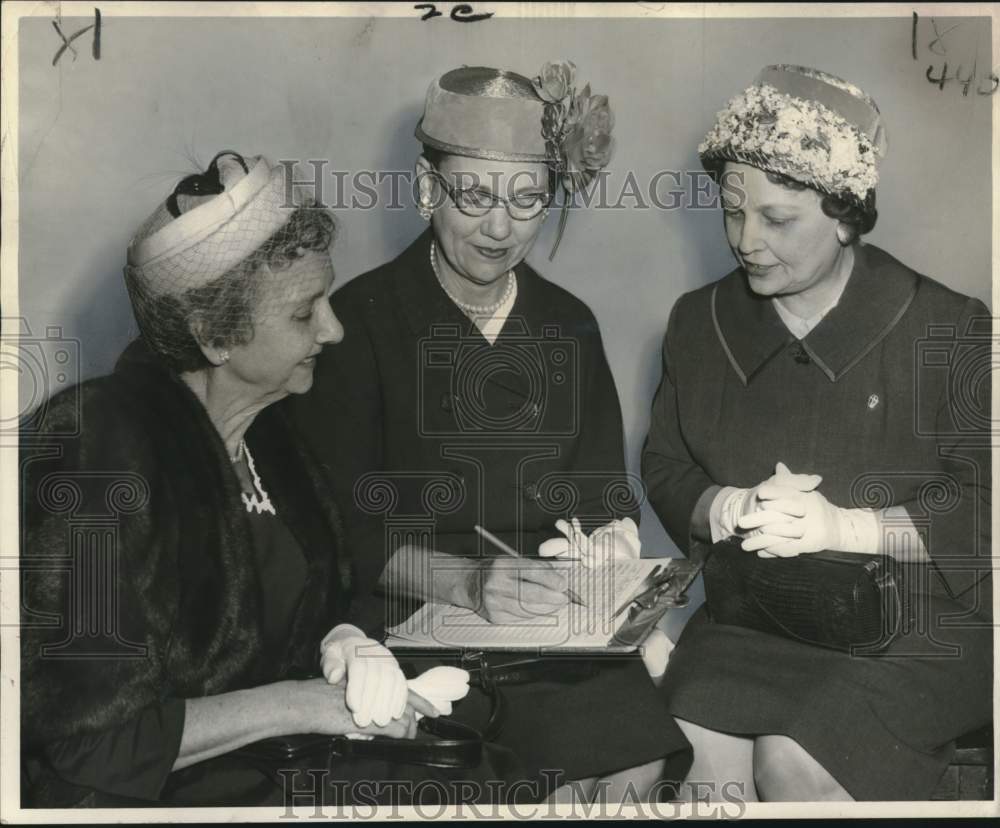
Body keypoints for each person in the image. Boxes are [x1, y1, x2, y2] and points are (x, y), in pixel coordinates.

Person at [20, 151, 509, 807]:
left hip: (271, 768)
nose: (334, 329)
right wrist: (299, 705)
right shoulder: (99, 450)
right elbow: (90, 744)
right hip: (142, 798)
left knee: (482, 766)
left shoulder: (271, 436)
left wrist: (343, 641)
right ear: (214, 336)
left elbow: (302, 610)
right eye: (305, 313)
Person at [290, 63, 691, 802]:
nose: (500, 229)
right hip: (406, 623)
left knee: (635, 766)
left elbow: (602, 492)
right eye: (474, 196)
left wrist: (606, 549)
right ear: (426, 187)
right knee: (524, 785)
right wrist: (470, 581)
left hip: (548, 625)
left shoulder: (568, 322)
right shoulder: (359, 324)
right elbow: (336, 531)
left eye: (527, 200)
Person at [641, 64, 992, 801]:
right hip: (757, 615)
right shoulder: (699, 323)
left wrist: (851, 527)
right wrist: (725, 507)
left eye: (777, 220)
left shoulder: (948, 325)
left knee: (794, 763)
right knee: (698, 756)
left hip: (917, 622)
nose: (746, 240)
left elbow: (985, 503)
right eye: (733, 212)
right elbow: (667, 466)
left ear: (844, 216)